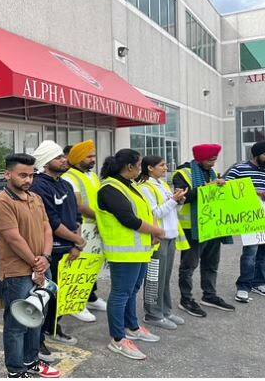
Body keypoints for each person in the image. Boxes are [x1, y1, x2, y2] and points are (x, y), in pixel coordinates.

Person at [0, 153, 61, 378]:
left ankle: (31, 361)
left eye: (31, 175)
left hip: (40, 266)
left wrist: (46, 258)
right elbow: (13, 238)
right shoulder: (2, 201)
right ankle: (15, 370)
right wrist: (36, 263)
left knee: (36, 318)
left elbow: (47, 229)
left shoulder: (35, 198)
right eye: (23, 175)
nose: (28, 180)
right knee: (16, 324)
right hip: (17, 272)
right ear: (8, 174)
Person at [96, 149, 165, 360]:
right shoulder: (109, 188)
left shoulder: (131, 185)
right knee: (120, 294)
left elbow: (146, 212)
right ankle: (117, 339)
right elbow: (128, 219)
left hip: (140, 251)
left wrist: (153, 231)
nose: (141, 167)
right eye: (139, 164)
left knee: (132, 290)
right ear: (129, 167)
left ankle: (131, 327)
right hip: (123, 253)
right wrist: (155, 230)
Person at [30, 140, 80, 361]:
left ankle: (53, 327)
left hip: (68, 248)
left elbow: (75, 215)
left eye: (63, 156)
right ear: (45, 161)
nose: (64, 160)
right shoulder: (39, 186)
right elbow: (51, 221)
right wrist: (76, 240)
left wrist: (76, 243)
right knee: (43, 297)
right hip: (49, 250)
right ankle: (37, 341)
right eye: (58, 157)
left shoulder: (66, 184)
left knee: (59, 295)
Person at [173, 144, 235, 316]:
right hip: (192, 228)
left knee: (211, 263)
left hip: (212, 225)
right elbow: (182, 198)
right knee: (189, 266)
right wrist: (209, 187)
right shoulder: (182, 173)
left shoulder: (212, 172)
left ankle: (209, 295)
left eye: (215, 160)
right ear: (199, 158)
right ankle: (186, 299)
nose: (213, 163)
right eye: (210, 160)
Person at [137, 156, 189, 330]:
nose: (166, 168)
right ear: (150, 168)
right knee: (154, 277)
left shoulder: (162, 184)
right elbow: (155, 213)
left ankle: (165, 311)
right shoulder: (145, 187)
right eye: (162, 165)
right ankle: (152, 313)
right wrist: (173, 200)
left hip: (170, 236)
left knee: (165, 278)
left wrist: (178, 202)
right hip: (158, 238)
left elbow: (171, 210)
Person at [62, 140, 108, 323]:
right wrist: (102, 217)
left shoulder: (92, 175)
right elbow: (79, 205)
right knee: (78, 268)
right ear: (78, 158)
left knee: (91, 265)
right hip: (80, 227)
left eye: (93, 156)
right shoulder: (70, 177)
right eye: (89, 156)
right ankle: (75, 304)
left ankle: (90, 297)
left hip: (95, 227)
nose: (93, 159)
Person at [224, 141, 265, 302]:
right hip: (249, 217)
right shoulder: (239, 168)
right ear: (257, 154)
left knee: (263, 252)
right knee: (250, 252)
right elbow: (225, 185)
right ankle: (243, 286)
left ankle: (258, 282)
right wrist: (255, 192)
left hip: (264, 215)